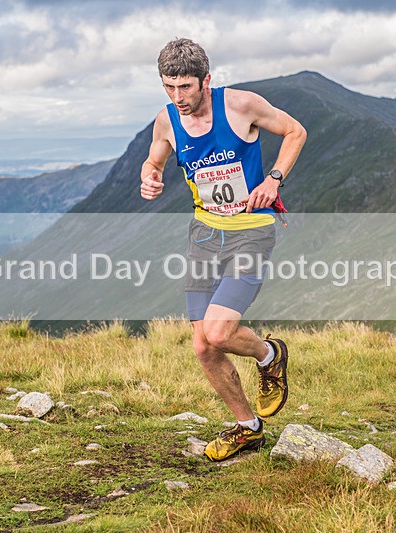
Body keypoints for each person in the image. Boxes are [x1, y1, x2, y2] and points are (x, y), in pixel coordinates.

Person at [140, 38, 306, 461]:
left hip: (250, 230)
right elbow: (154, 159)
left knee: (219, 331)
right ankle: (248, 428)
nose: (178, 97)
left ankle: (269, 355)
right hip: (204, 235)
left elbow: (295, 131)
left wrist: (273, 180)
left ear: (206, 81)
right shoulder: (167, 120)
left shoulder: (240, 106)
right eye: (169, 87)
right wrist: (150, 176)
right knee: (204, 346)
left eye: (186, 87)